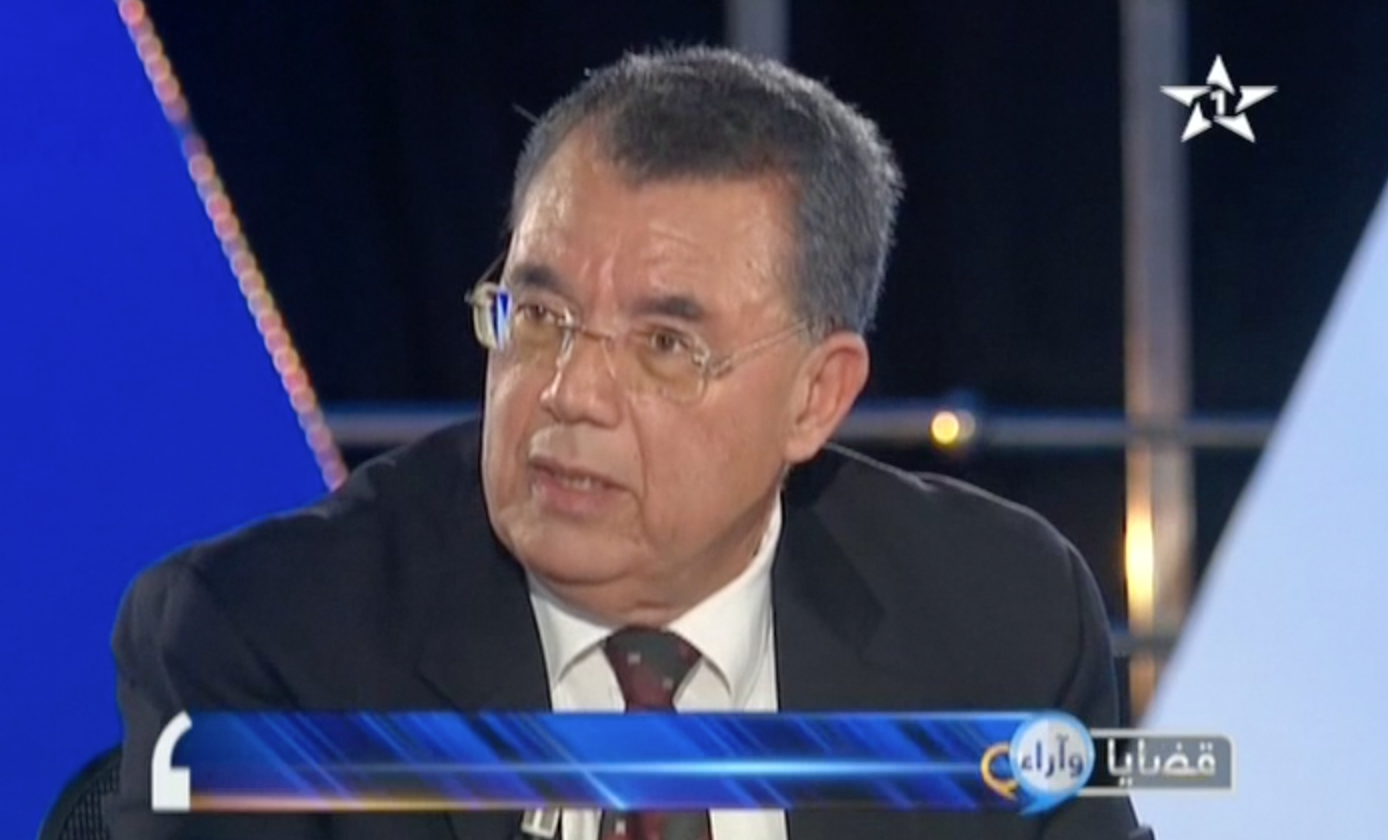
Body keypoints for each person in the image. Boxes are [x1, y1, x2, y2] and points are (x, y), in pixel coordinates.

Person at [111, 46, 1146, 840]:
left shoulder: (1001, 622)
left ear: (815, 397)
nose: (569, 395)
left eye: (663, 346)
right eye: (539, 317)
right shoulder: (269, 642)